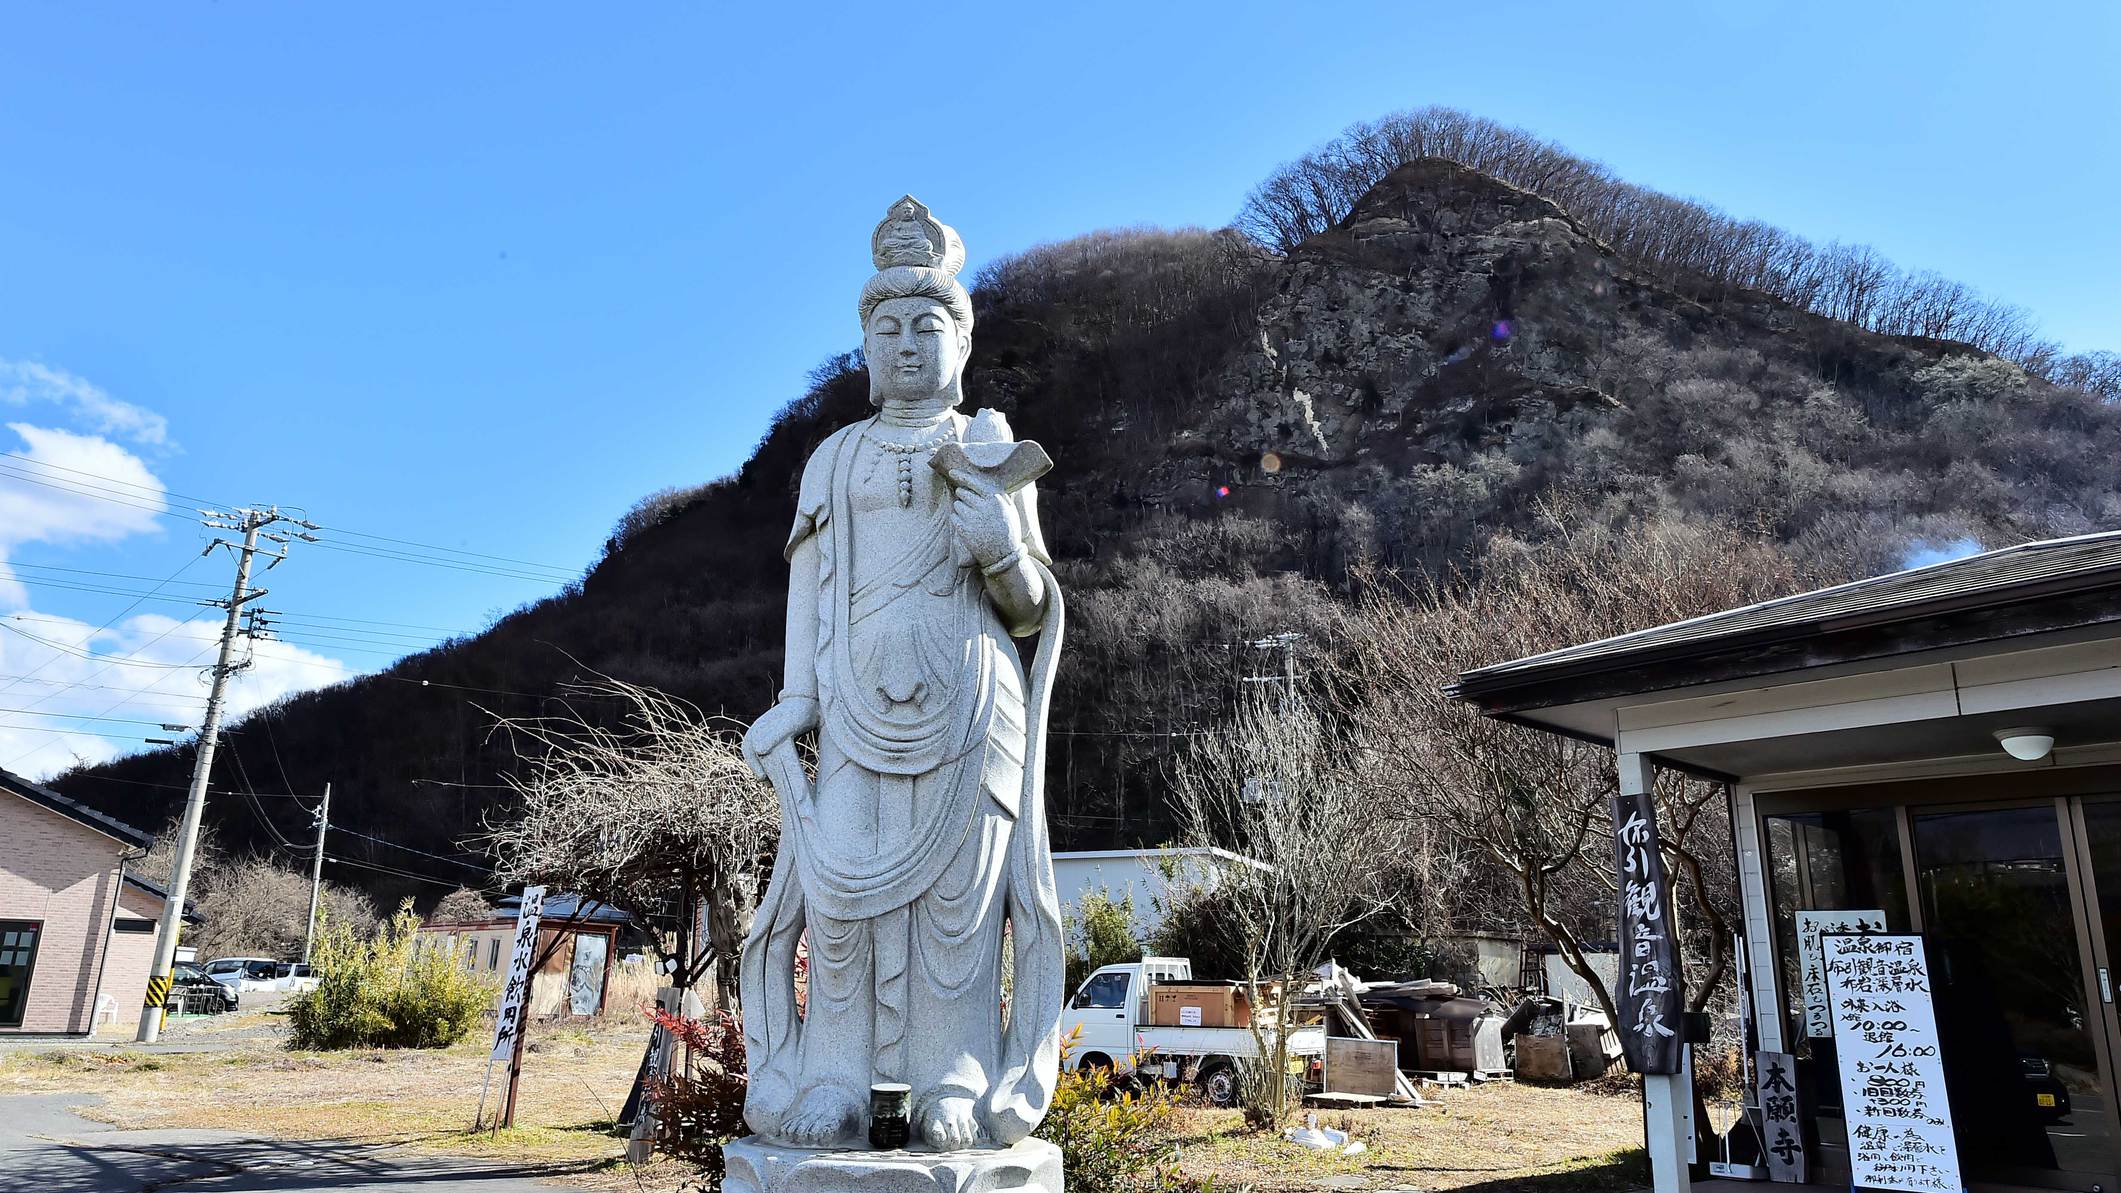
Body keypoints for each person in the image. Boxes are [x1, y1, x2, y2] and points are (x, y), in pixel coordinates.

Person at [740, 197, 1065, 1152]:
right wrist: (796, 698)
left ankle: (952, 1075)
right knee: (837, 902)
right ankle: (834, 1075)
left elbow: (1036, 609)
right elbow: (808, 582)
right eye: (887, 329)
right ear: (864, 346)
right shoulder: (833, 458)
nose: (908, 346)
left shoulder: (986, 447)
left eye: (928, 326)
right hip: (848, 707)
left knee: (955, 912)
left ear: (961, 341)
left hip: (969, 700)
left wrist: (1002, 550)